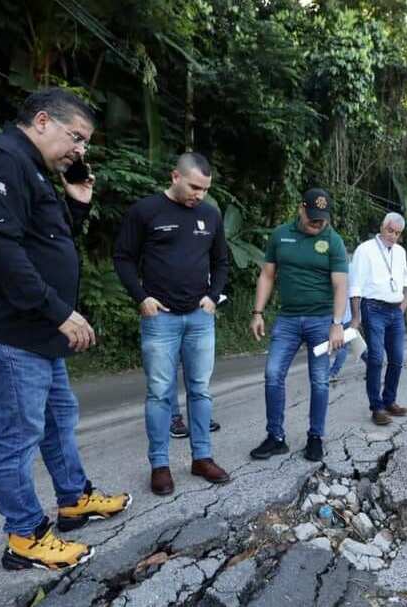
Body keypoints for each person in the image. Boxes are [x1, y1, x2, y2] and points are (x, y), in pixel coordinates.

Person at [0, 88, 130, 572]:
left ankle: (73, 498)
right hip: (7, 330)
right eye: (77, 137)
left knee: (57, 421)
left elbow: (44, 241)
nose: (80, 151)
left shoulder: (30, 169)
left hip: (35, 330)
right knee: (17, 436)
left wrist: (78, 203)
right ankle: (25, 534)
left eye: (86, 144)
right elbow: (1, 251)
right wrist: (58, 311)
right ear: (43, 120)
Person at [113, 152, 232, 495]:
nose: (200, 195)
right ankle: (160, 465)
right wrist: (140, 297)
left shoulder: (210, 215)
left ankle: (202, 457)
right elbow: (122, 257)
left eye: (206, 189)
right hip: (160, 319)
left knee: (200, 390)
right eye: (195, 186)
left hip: (199, 317)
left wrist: (213, 296)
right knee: (160, 394)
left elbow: (221, 261)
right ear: (175, 177)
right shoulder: (146, 211)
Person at [249, 188, 348, 462]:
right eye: (313, 218)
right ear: (301, 209)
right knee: (272, 374)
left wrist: (337, 323)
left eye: (323, 219)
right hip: (288, 319)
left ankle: (315, 436)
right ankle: (275, 437)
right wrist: (257, 312)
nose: (318, 224)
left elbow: (341, 284)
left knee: (319, 380)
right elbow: (268, 275)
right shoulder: (281, 235)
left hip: (321, 321)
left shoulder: (334, 241)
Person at [349, 212, 407, 425]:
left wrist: (404, 301)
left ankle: (390, 401)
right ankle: (377, 408)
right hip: (373, 308)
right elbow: (355, 284)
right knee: (376, 358)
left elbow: (405, 277)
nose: (393, 236)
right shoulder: (365, 250)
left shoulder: (401, 252)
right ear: (382, 227)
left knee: (397, 358)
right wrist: (356, 316)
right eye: (390, 231)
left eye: (397, 233)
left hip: (395, 311)